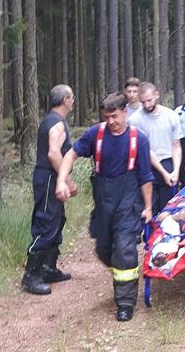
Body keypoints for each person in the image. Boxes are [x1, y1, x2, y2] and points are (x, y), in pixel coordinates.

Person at [56, 93, 153, 322]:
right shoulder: (95, 134)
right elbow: (71, 154)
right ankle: (124, 277)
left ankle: (126, 303)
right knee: (103, 249)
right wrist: (62, 180)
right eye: (107, 117)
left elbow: (146, 177)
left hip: (128, 201)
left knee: (125, 248)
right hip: (104, 202)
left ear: (125, 112)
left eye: (115, 116)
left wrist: (148, 207)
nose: (111, 121)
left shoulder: (139, 139)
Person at [21, 84, 78, 296]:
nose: (73, 100)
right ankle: (31, 276)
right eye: (71, 97)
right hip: (48, 178)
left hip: (51, 177)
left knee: (56, 220)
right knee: (45, 222)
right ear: (65, 100)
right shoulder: (56, 124)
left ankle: (48, 268)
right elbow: (54, 154)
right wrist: (66, 181)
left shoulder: (53, 120)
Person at [128, 82, 183, 215]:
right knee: (149, 208)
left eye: (149, 100)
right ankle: (148, 234)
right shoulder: (134, 120)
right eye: (143, 102)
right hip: (147, 165)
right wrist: (164, 173)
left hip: (168, 162)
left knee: (168, 208)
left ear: (157, 95)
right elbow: (146, 150)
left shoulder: (171, 116)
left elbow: (176, 145)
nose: (147, 105)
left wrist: (175, 170)